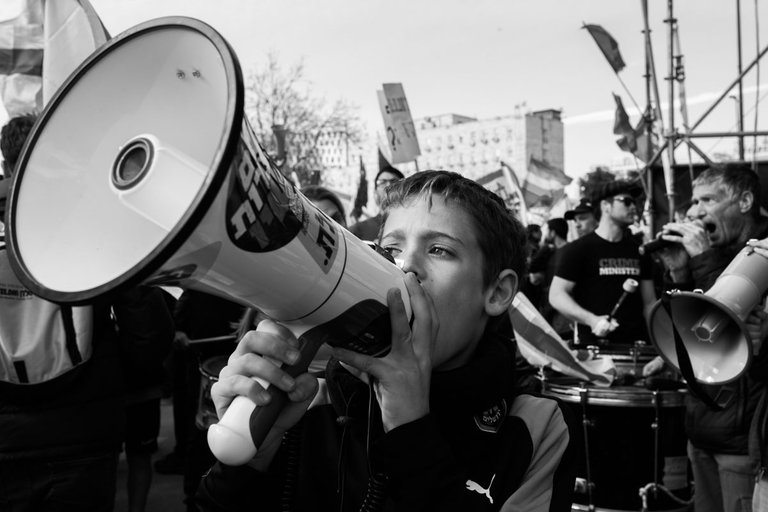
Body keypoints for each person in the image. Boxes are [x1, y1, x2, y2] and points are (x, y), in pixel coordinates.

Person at [196, 170, 577, 511]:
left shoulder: (535, 427)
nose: (405, 267)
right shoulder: (309, 399)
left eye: (440, 249)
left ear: (497, 292)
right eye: (391, 249)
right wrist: (247, 465)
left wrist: (409, 426)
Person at [0, 113, 175, 512]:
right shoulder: (93, 216)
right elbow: (148, 335)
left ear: (6, 161)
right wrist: (112, 376)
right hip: (84, 429)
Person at [646, 164, 768, 512]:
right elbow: (694, 335)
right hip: (702, 429)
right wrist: (681, 273)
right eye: (693, 201)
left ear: (744, 201)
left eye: (708, 200)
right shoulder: (710, 256)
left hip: (742, 443)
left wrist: (705, 259)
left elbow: (729, 316)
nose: (695, 211)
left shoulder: (762, 256)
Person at [549, 179, 656, 347]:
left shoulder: (640, 252)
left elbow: (649, 303)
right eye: (626, 201)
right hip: (594, 351)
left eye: (634, 202)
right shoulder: (578, 250)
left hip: (636, 349)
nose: (633, 207)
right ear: (606, 206)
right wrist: (591, 320)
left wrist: (661, 345)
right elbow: (556, 295)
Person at [527, 218, 570, 336]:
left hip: (562, 317)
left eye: (547, 231)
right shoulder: (552, 252)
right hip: (555, 314)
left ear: (553, 232)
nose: (544, 234)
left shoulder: (565, 252)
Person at [349, 165, 404, 241]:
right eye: (382, 182)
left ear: (405, 190)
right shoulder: (357, 231)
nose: (388, 186)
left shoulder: (416, 227)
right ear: (375, 192)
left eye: (394, 182)